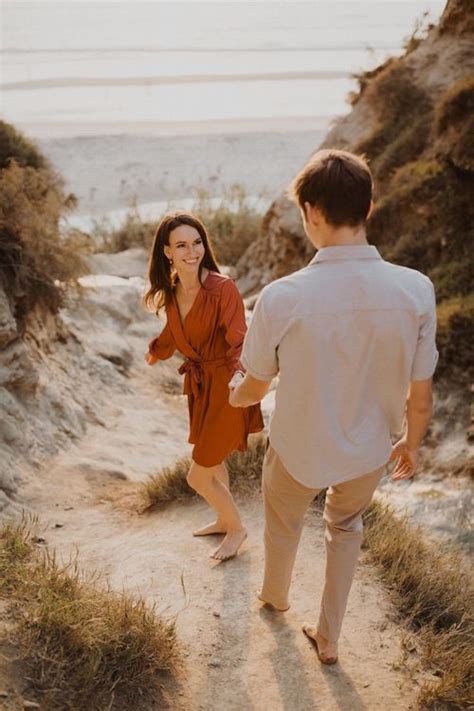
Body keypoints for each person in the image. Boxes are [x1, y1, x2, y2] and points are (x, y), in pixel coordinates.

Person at [229, 149, 438, 663]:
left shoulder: (282, 296)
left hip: (298, 445)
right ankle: (328, 639)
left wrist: (232, 393)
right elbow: (421, 393)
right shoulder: (416, 289)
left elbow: (253, 389)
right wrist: (409, 444)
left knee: (283, 520)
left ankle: (275, 597)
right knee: (346, 528)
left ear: (311, 214)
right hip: (369, 450)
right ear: (369, 206)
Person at [144, 212, 263, 561]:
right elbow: (172, 333)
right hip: (200, 389)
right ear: (167, 251)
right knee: (215, 465)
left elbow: (239, 340)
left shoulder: (222, 288)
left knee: (197, 476)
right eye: (181, 245)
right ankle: (225, 521)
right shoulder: (172, 291)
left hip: (228, 387)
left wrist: (240, 380)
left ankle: (238, 529)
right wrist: (156, 352)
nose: (191, 251)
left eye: (196, 242)